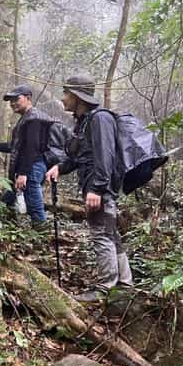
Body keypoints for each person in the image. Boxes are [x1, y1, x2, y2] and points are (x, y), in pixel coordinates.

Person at [45, 75, 133, 302]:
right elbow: (79, 157)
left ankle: (105, 289)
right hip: (96, 186)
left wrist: (97, 189)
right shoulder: (83, 122)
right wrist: (59, 168)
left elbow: (106, 156)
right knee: (110, 233)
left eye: (66, 94)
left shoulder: (100, 119)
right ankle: (124, 284)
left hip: (100, 188)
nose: (63, 99)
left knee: (101, 234)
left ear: (76, 96)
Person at [0, 83, 65, 228]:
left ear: (28, 98)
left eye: (16, 99)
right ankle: (6, 227)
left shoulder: (34, 119)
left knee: (34, 205)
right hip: (30, 165)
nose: (12, 104)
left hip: (33, 166)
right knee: (8, 197)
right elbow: (16, 147)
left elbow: (32, 148)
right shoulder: (27, 118)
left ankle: (40, 236)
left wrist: (24, 173)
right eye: (10, 101)